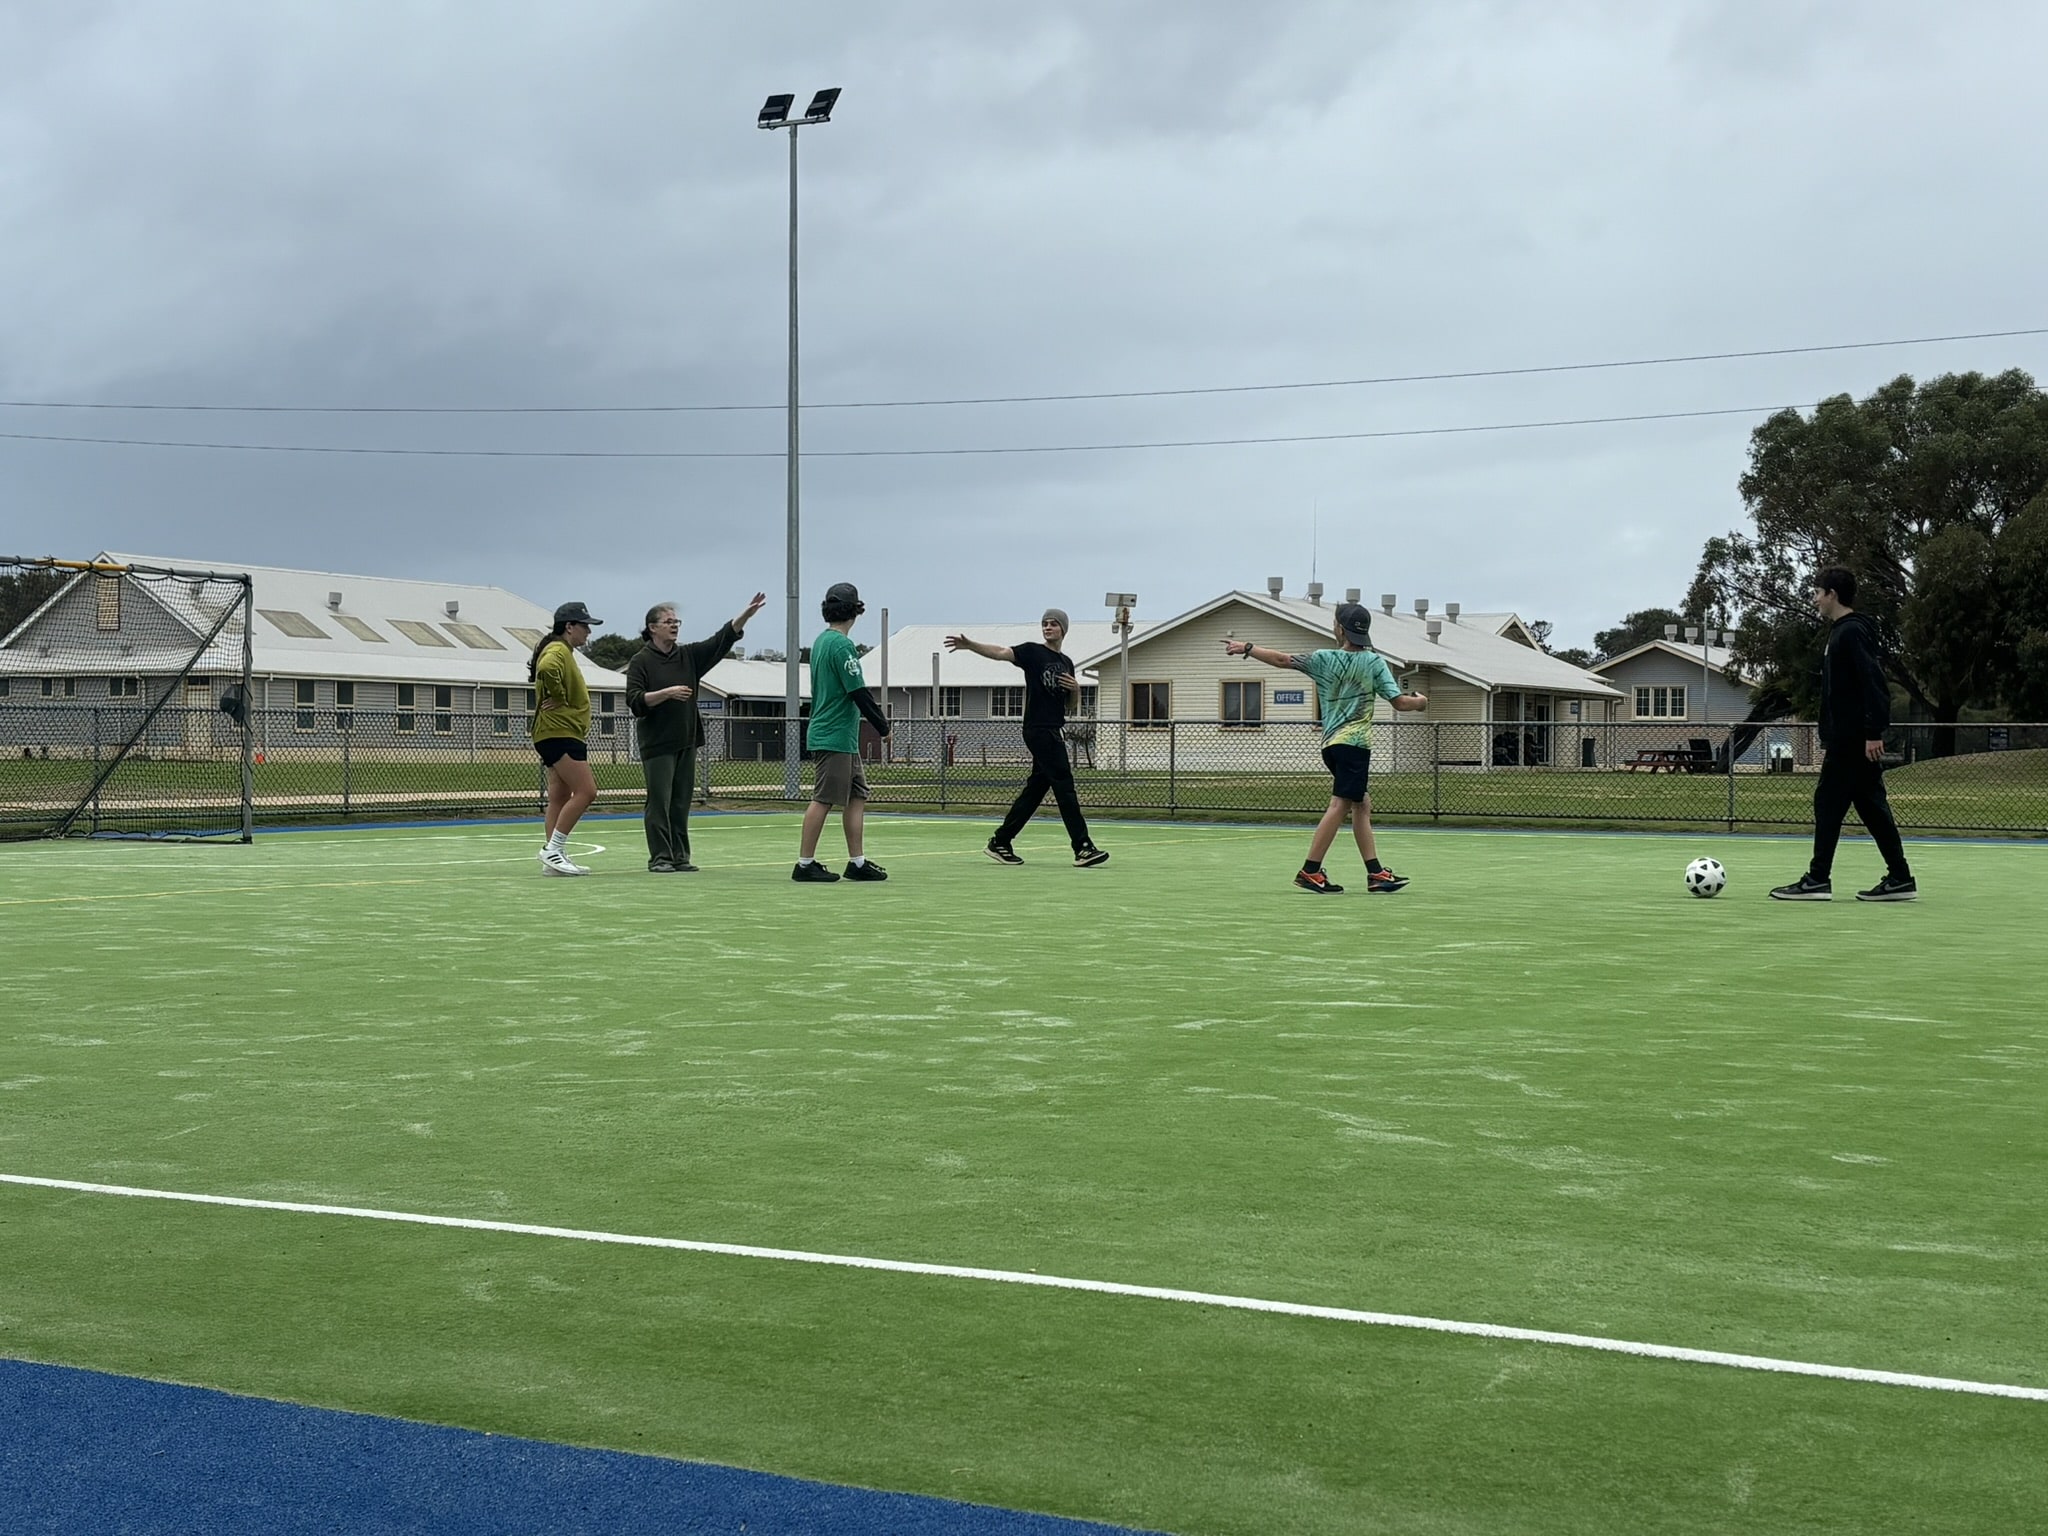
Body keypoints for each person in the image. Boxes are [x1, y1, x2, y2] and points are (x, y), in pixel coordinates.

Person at [1223, 600, 1428, 894]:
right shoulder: (1373, 663)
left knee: (1361, 804)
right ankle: (1311, 870)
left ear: (1340, 630)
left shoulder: (1323, 659)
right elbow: (1400, 703)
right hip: (1355, 745)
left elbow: (1283, 660)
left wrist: (1247, 648)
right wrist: (1421, 702)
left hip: (1331, 745)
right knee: (1341, 805)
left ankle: (1375, 873)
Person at [1771, 567, 1916, 902]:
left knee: (1828, 803)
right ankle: (1900, 878)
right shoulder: (1841, 632)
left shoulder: (1851, 632)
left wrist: (1872, 732)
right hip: (1847, 738)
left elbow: (1873, 682)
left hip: (1851, 740)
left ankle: (1818, 880)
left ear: (1832, 594)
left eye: (1817, 592)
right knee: (1871, 807)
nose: (1815, 599)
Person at [945, 609, 1109, 868]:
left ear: (1063, 629)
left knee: (1036, 790)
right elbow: (1000, 652)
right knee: (1064, 785)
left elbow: (1069, 705)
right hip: (1038, 729)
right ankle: (1083, 847)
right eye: (1044, 624)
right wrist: (970, 645)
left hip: (1055, 728)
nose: (1048, 627)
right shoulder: (1033, 652)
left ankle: (1001, 841)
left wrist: (1076, 690)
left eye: (1053, 624)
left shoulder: (1066, 662)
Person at [626, 591, 766, 872]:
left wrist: (745, 616)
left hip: (686, 740)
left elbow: (720, 640)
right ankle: (661, 857)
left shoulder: (688, 656)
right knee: (660, 803)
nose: (675, 625)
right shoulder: (641, 661)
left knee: (680, 803)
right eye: (668, 621)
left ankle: (680, 856)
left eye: (677, 621)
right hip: (658, 743)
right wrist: (665, 693)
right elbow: (635, 701)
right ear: (652, 627)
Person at [794, 582, 892, 883]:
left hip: (842, 737)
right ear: (856, 611)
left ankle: (857, 862)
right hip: (833, 735)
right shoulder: (842, 646)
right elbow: (857, 691)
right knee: (824, 798)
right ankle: (804, 864)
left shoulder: (821, 642)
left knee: (857, 795)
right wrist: (882, 726)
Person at [528, 601, 602, 876]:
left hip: (552, 733)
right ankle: (553, 850)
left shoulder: (563, 650)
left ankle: (553, 859)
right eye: (585, 626)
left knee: (559, 795)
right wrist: (558, 697)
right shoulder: (558, 650)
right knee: (587, 792)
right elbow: (546, 668)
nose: (588, 632)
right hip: (561, 733)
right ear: (569, 627)